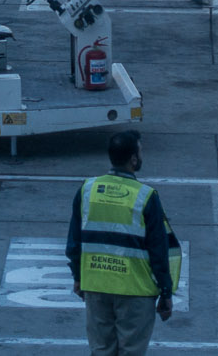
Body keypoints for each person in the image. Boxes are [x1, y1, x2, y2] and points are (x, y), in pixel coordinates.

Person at [68, 129, 175, 356]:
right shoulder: (146, 196)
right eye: (141, 151)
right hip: (135, 291)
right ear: (133, 159)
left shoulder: (87, 189)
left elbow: (74, 242)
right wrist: (166, 292)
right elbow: (159, 251)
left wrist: (78, 277)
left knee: (101, 351)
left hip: (96, 286)